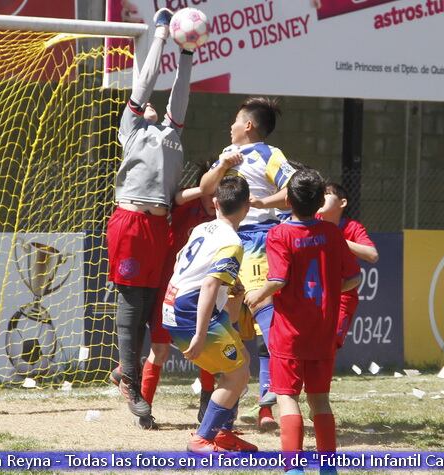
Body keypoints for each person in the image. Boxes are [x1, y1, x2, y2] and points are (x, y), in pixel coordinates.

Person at [106, 8, 195, 427]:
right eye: (146, 106)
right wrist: (160, 35)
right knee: (130, 302)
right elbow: (144, 83)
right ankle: (132, 387)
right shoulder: (132, 128)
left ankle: (125, 370)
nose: (154, 107)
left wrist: (188, 54)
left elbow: (179, 95)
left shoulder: (172, 134)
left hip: (159, 225)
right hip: (131, 220)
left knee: (146, 307)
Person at [109, 157, 243, 429]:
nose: (214, 195)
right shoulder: (189, 206)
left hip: (195, 296)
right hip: (169, 289)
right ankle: (143, 408)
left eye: (219, 190)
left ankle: (208, 401)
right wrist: (208, 186)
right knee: (158, 349)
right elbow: (178, 197)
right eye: (211, 188)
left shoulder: (221, 221)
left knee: (206, 350)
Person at [245, 169, 360, 473]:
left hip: (290, 332)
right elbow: (354, 277)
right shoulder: (333, 233)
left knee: (287, 397)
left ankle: (294, 468)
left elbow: (279, 279)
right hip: (322, 331)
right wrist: (331, 288)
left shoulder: (280, 234)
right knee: (319, 399)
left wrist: (258, 294)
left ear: (287, 201)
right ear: (322, 200)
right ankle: (328, 467)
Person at [199, 97, 297, 431]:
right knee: (228, 327)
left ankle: (272, 396)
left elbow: (294, 191)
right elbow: (204, 192)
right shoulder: (228, 155)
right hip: (227, 240)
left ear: (249, 126)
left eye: (235, 121)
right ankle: (225, 415)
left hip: (257, 239)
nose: (230, 126)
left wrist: (262, 201)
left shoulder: (270, 154)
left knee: (264, 319)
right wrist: (222, 165)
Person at [163, 176, 257, 452]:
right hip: (190, 314)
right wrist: (200, 334)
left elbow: (182, 259)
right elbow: (209, 284)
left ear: (215, 203)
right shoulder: (233, 242)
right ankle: (202, 439)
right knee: (237, 375)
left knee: (242, 362)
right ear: (247, 207)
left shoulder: (202, 228)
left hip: (174, 305)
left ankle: (223, 433)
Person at [317, 182, 379, 347]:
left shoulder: (353, 228)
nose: (320, 198)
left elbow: (372, 255)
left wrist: (338, 240)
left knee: (330, 343)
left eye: (326, 194)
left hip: (343, 295)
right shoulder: (311, 222)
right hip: (314, 294)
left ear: (342, 203)